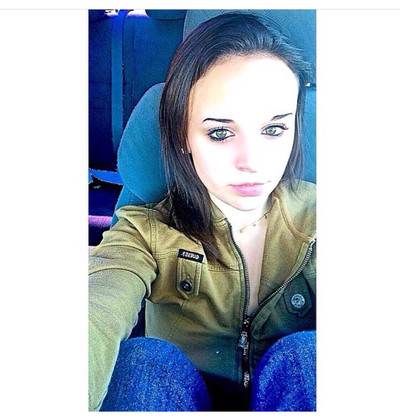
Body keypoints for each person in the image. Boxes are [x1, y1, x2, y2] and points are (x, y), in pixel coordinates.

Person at [89, 12, 316, 412]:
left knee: (309, 357)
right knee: (142, 363)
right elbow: (97, 308)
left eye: (274, 129)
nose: (252, 162)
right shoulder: (147, 230)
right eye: (220, 133)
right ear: (183, 137)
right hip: (172, 395)